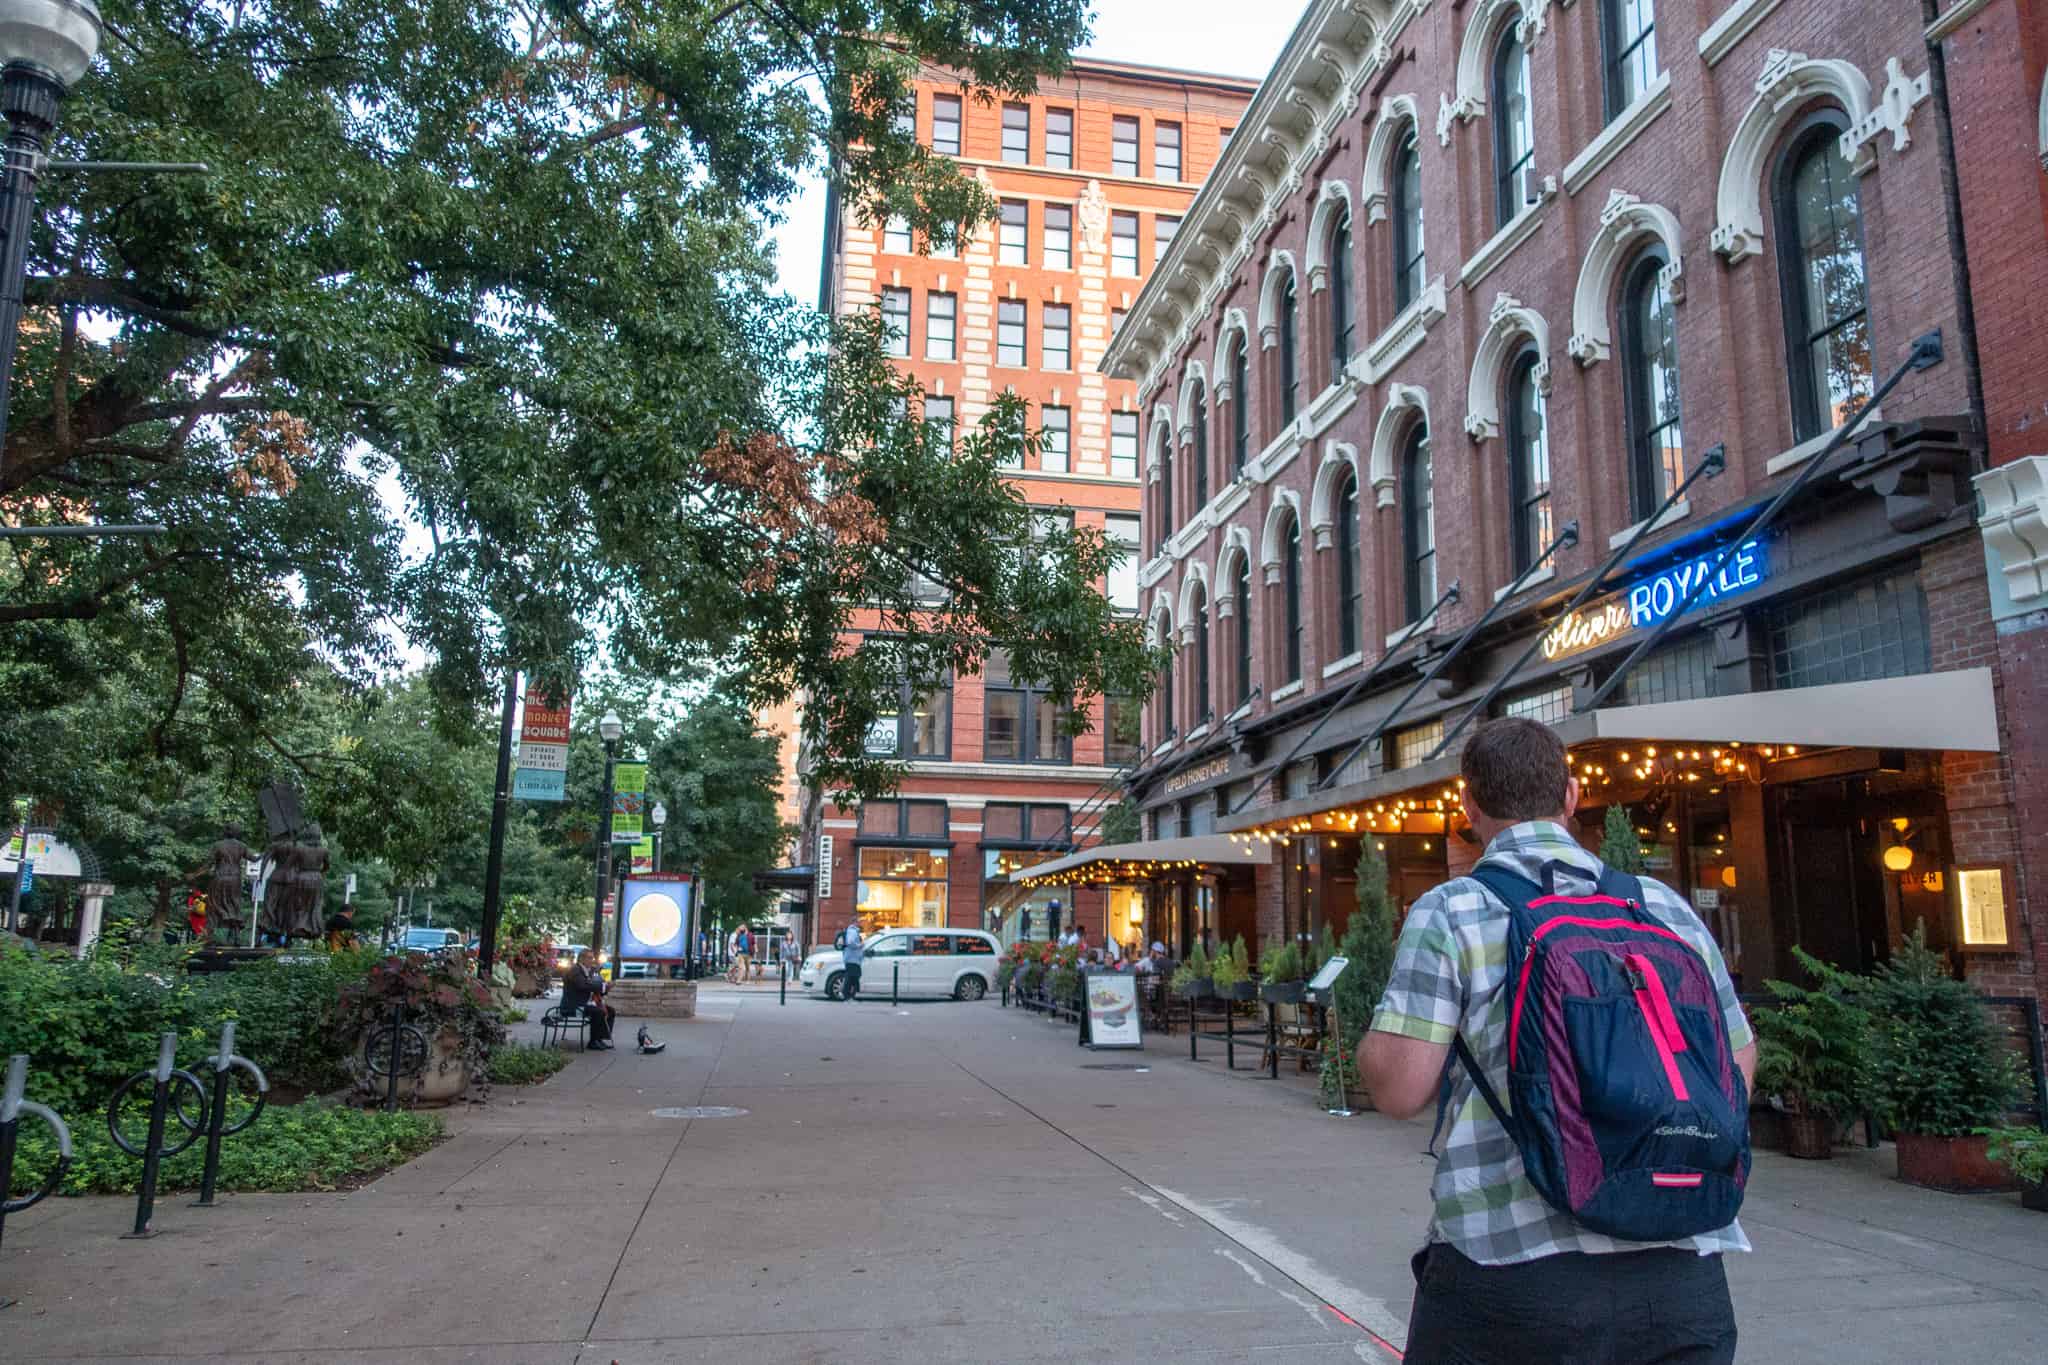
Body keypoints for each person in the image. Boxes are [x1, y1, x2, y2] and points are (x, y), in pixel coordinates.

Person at [1359, 718, 1755, 1365]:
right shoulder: (1661, 906)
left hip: (1510, 1271)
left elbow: (1400, 1087)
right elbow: (1737, 1059)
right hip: (1681, 1270)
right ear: (1571, 795)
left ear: (1469, 805)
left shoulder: (1454, 909)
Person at [562, 948, 617, 1049]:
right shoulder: (575, 970)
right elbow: (583, 986)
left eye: (592, 958)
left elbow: (596, 988)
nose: (592, 960)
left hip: (585, 1004)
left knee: (611, 1011)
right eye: (590, 958)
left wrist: (606, 986)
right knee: (598, 1011)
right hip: (573, 1006)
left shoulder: (589, 971)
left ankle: (600, 1039)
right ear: (581, 959)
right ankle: (593, 1042)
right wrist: (603, 986)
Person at [837, 918, 864, 1001]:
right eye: (859, 922)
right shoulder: (852, 931)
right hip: (852, 958)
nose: (860, 923)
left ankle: (849, 995)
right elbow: (850, 942)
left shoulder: (853, 931)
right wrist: (859, 945)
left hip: (852, 958)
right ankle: (847, 995)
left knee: (853, 977)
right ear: (855, 922)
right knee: (852, 977)